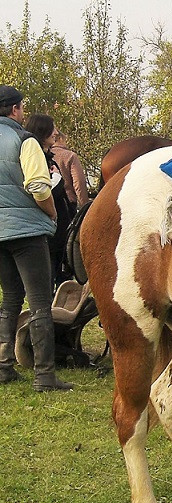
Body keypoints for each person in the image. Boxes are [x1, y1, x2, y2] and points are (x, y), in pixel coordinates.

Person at [0, 86, 72, 391]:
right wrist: (52, 211)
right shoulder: (24, 140)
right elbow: (39, 187)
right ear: (15, 109)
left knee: (10, 299)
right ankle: (44, 375)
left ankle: (3, 367)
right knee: (41, 301)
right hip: (27, 232)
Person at [25, 113, 75, 291]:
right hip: (48, 225)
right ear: (42, 130)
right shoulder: (37, 157)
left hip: (57, 225)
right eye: (52, 128)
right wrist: (57, 178)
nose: (56, 133)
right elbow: (44, 191)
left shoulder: (48, 156)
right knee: (49, 271)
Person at [51, 130, 90, 213]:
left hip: (48, 201)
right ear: (60, 138)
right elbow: (78, 182)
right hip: (67, 203)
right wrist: (84, 206)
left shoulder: (43, 154)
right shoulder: (70, 156)